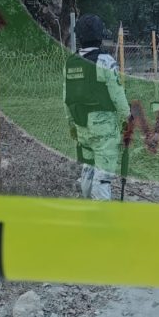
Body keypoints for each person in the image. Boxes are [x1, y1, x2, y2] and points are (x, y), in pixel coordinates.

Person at [64, 14, 131, 200]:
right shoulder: (105, 61)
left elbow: (66, 98)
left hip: (81, 126)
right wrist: (128, 118)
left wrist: (71, 124)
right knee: (102, 178)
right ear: (100, 35)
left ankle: (88, 207)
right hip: (104, 129)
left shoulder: (70, 63)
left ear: (79, 36)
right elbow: (117, 94)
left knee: (88, 169)